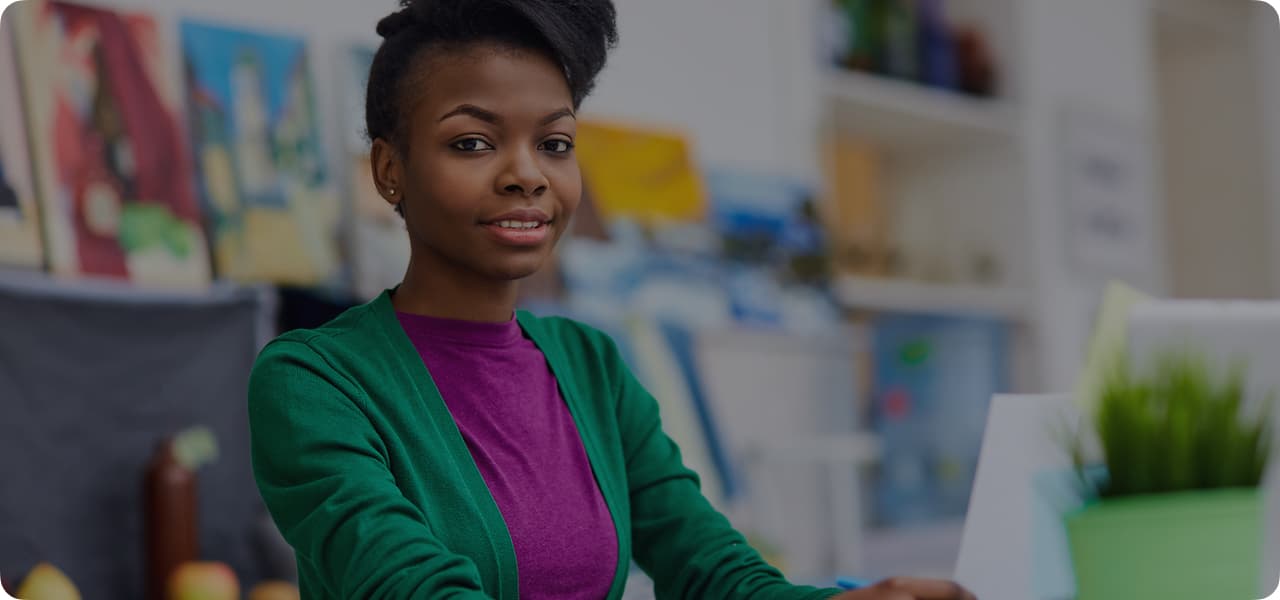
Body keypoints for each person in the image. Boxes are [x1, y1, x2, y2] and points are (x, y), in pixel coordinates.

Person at [247, 1, 977, 598]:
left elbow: (709, 566)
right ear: (389, 169)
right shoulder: (312, 381)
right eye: (472, 143)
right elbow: (407, 586)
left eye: (555, 143)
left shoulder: (591, 365)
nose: (527, 175)